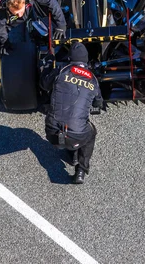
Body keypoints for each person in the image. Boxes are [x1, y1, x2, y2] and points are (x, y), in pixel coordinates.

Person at [40, 43, 103, 184]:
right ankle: (81, 169)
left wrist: (48, 65)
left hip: (52, 133)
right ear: (86, 60)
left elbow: (44, 84)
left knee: (67, 121)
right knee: (90, 132)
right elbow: (98, 103)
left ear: (70, 58)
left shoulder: (62, 70)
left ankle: (72, 154)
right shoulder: (93, 79)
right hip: (77, 137)